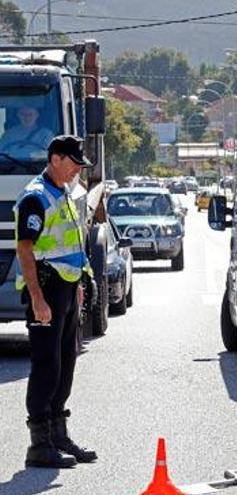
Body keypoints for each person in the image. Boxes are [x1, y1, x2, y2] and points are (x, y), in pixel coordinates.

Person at [14, 135, 97, 469]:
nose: (78, 169)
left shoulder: (62, 191)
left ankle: (59, 434)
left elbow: (70, 244)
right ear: (56, 158)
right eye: (74, 163)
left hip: (66, 288)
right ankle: (39, 444)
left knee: (65, 361)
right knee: (46, 365)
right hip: (46, 290)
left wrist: (78, 281)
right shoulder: (35, 197)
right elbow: (25, 249)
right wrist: (37, 298)